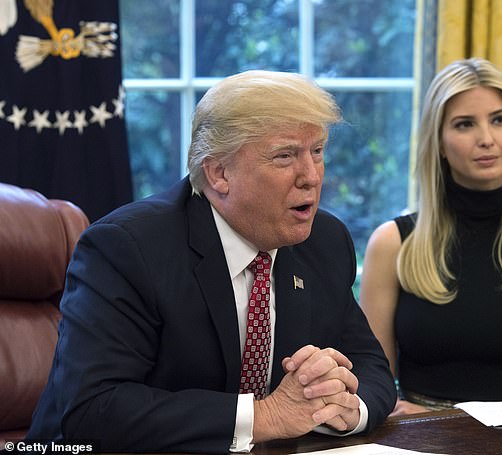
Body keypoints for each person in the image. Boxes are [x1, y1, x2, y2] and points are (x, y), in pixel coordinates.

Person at [26, 70, 396, 452]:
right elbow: (93, 410)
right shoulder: (127, 248)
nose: (312, 176)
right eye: (285, 155)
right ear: (219, 173)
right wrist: (267, 415)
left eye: (317, 151)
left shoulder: (325, 240)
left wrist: (346, 407)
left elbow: (369, 365)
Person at [360, 58, 502, 416]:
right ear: (438, 141)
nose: (487, 139)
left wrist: (469, 424)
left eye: (499, 120)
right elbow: (371, 387)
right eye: (465, 124)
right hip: (420, 443)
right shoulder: (392, 244)